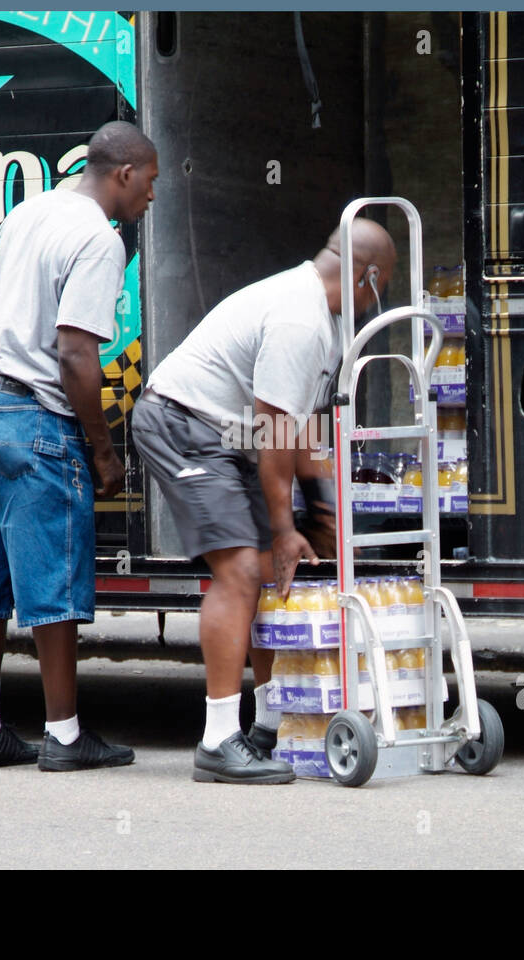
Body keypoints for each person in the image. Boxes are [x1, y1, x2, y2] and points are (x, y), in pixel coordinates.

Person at [132, 219, 397, 783]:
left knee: (273, 573)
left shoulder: (318, 320)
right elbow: (276, 435)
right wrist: (284, 526)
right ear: (366, 275)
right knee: (241, 573)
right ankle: (218, 741)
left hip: (230, 436)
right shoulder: (300, 320)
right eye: (383, 286)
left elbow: (299, 433)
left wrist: (323, 513)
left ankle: (268, 726)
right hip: (182, 422)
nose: (380, 300)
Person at [0, 121, 158, 771]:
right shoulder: (99, 238)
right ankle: (64, 735)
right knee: (52, 582)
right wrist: (103, 449)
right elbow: (76, 351)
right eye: (149, 181)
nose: (151, 195)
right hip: (35, 416)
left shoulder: (26, 214)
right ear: (123, 173)